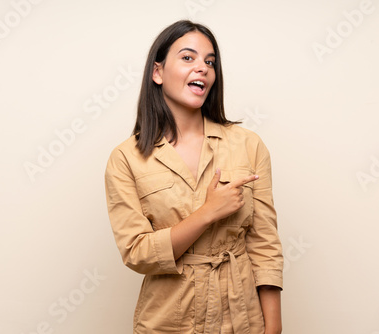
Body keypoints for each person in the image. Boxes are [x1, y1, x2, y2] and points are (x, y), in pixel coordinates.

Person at [104, 20, 283, 334]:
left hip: (242, 319)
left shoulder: (247, 144)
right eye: (188, 58)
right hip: (168, 321)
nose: (202, 67)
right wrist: (208, 213)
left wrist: (273, 327)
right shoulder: (126, 158)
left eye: (209, 62)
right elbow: (137, 252)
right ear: (157, 73)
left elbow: (264, 244)